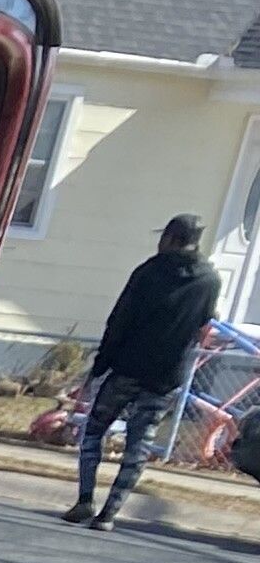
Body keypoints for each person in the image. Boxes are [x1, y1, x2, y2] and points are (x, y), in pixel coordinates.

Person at [66, 215, 224, 527]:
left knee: (94, 430)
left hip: (127, 368)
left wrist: (100, 366)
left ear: (171, 238)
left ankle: (85, 499)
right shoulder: (210, 281)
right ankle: (109, 513)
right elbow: (205, 321)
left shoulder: (149, 272)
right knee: (139, 443)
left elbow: (120, 320)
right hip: (166, 376)